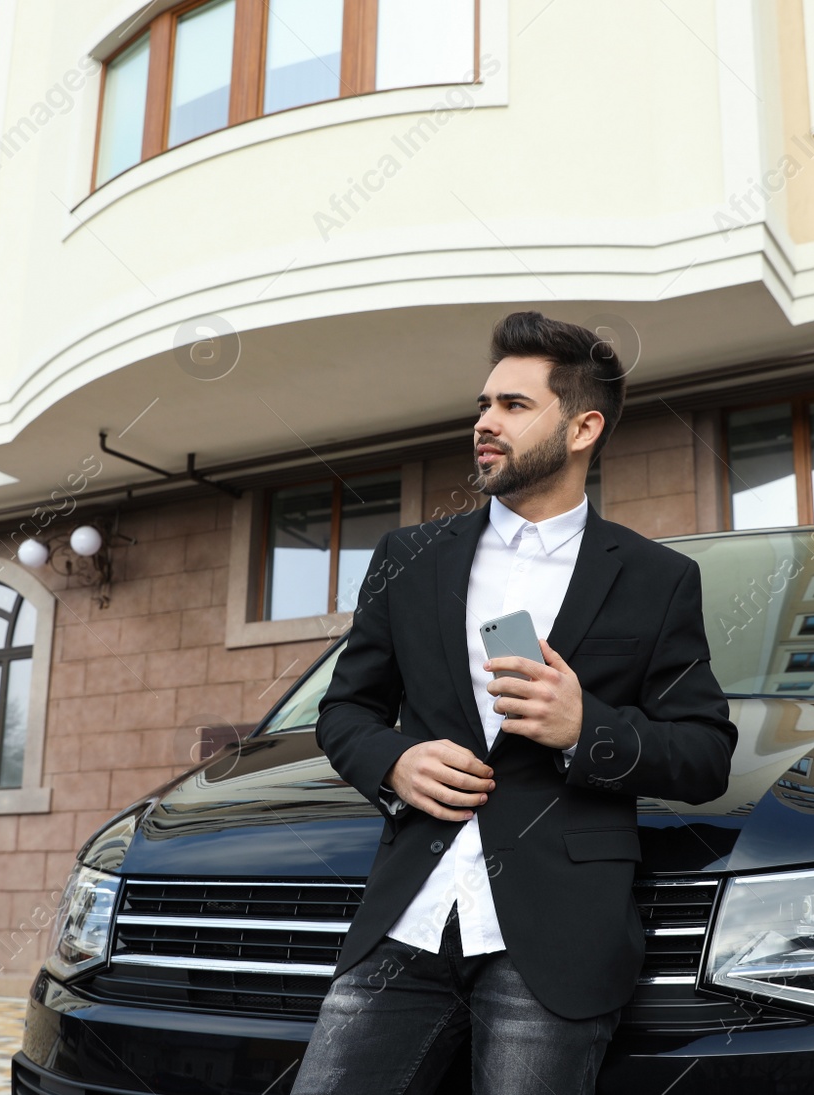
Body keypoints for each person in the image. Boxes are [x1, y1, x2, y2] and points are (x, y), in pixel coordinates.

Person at [294, 310, 738, 1094]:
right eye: (483, 405)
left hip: (556, 943)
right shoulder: (410, 556)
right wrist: (394, 760)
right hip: (408, 922)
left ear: (583, 426)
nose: (484, 424)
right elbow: (345, 712)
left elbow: (704, 751)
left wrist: (585, 728)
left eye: (513, 406)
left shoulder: (655, 578)